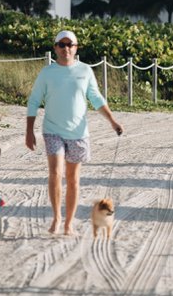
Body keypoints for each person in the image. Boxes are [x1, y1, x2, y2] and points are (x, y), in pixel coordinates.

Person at [25, 30, 123, 236]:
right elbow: (34, 100)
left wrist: (113, 122)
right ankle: (56, 218)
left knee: (73, 179)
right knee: (55, 172)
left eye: (70, 45)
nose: (66, 48)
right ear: (55, 48)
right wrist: (29, 130)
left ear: (76, 48)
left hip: (78, 133)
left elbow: (96, 99)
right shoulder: (47, 73)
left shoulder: (85, 71)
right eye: (61, 44)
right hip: (52, 131)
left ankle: (68, 223)